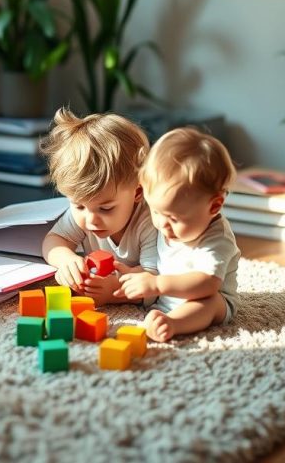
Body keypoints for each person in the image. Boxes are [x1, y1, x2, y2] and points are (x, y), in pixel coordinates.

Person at [117, 128, 240, 342]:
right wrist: (135, 274)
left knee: (210, 303)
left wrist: (156, 285)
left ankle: (174, 323)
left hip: (209, 299)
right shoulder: (166, 224)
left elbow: (206, 283)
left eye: (174, 218)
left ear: (215, 205)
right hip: (166, 297)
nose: (161, 224)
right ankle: (166, 313)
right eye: (155, 211)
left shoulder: (217, 239)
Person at [40, 108, 158, 306]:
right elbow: (54, 240)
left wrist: (114, 290)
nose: (91, 219)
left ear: (137, 192)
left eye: (106, 208)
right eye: (79, 206)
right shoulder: (86, 213)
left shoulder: (151, 221)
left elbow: (154, 278)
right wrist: (66, 260)